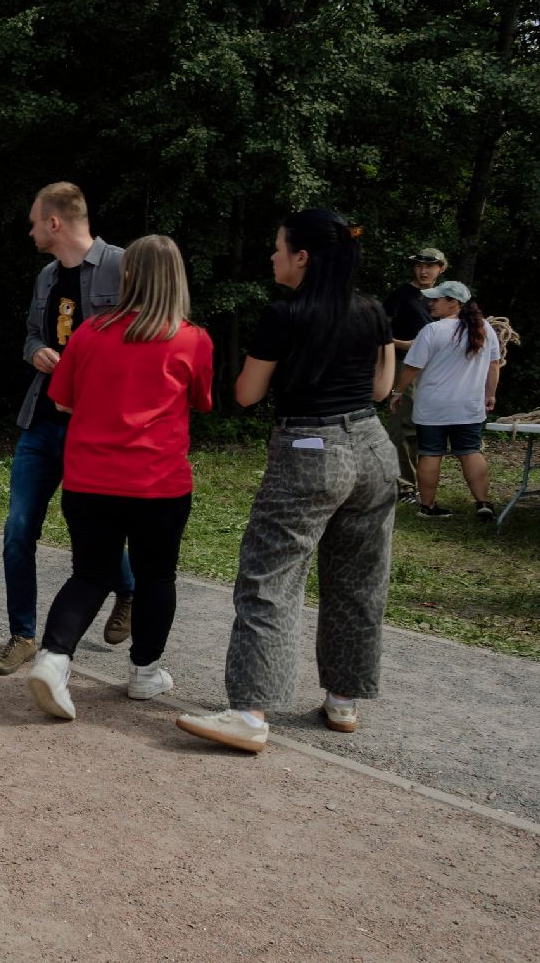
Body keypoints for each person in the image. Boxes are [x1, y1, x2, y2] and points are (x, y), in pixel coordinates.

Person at [177, 209, 396, 753]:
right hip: (372, 448)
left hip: (307, 448)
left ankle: (250, 713)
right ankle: (343, 701)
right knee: (359, 580)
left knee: (269, 577)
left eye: (278, 248)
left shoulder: (283, 315)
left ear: (303, 257)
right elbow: (380, 388)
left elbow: (247, 394)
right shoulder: (373, 311)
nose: (272, 256)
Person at [24, 235, 214, 719]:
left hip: (88, 478)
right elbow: (201, 401)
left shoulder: (89, 333)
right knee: (156, 575)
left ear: (126, 277)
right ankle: (144, 673)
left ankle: (54, 657)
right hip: (158, 483)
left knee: (89, 573)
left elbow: (62, 400)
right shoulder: (193, 339)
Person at [0, 182, 135, 677]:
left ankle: (129, 590)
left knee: (90, 530)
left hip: (92, 427)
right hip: (41, 421)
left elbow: (146, 336)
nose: (30, 231)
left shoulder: (123, 265)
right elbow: (32, 334)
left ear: (55, 223)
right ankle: (22, 635)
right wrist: (36, 353)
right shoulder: (46, 278)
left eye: (34, 222)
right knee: (17, 531)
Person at [391, 281, 501, 520]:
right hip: (468, 406)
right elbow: (494, 365)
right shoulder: (485, 329)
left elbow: (412, 367)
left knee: (430, 453)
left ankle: (427, 507)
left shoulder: (432, 331)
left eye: (436, 299)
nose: (431, 303)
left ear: (454, 303)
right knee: (470, 451)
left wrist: (397, 392)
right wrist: (490, 394)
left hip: (433, 406)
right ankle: (483, 503)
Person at [382, 247, 446, 503]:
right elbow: (377, 330)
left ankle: (424, 486)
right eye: (419, 265)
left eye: (430, 266)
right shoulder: (401, 296)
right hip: (406, 367)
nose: (424, 271)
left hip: (440, 370)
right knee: (405, 425)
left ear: (441, 269)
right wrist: (405, 344)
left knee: (430, 428)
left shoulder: (446, 296)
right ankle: (404, 487)